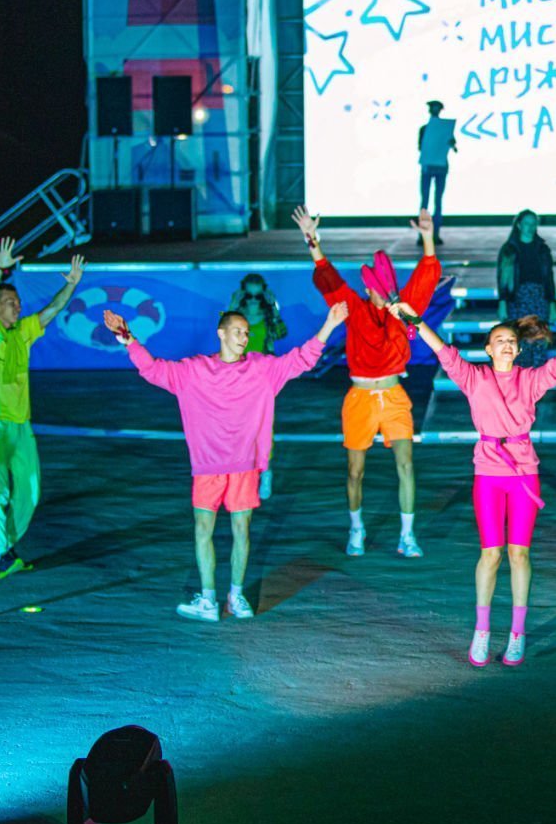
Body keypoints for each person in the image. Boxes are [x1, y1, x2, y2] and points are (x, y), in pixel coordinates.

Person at [396, 301, 556, 667]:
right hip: (488, 474)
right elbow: (442, 350)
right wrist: (415, 319)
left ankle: (517, 633)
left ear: (518, 349)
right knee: (491, 554)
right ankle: (482, 630)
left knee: (519, 554)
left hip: (523, 474)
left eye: (510, 341)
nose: (505, 345)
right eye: (499, 341)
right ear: (488, 349)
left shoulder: (530, 380)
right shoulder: (473, 377)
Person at [106, 301, 348, 621]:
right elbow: (153, 369)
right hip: (208, 467)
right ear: (221, 333)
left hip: (244, 466)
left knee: (241, 531)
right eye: (237, 332)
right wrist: (127, 337)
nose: (244, 338)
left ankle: (236, 596)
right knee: (203, 530)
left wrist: (329, 325)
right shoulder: (194, 370)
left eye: (246, 333)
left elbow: (301, 359)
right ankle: (208, 600)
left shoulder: (262, 369)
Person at [293, 205, 441, 559]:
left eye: (386, 287)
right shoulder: (355, 308)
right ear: (368, 287)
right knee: (355, 471)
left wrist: (427, 237)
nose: (384, 293)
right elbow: (327, 276)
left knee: (406, 465)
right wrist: (311, 238)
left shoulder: (401, 308)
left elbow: (427, 274)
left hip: (393, 396)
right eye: (378, 288)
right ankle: (356, 528)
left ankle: (407, 535)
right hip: (360, 397)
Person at [0, 237, 85, 577]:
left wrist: (71, 285)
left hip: (21, 424)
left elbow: (52, 310)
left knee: (30, 492)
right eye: (10, 302)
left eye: (18, 302)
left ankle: (4, 546)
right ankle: (2, 554)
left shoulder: (23, 332)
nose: (16, 307)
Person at [229, 273, 289, 499]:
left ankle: (266, 472)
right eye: (249, 295)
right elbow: (222, 330)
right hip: (237, 379)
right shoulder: (236, 317)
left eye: (258, 295)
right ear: (243, 294)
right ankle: (242, 471)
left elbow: (282, 333)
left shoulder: (268, 317)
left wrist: (273, 307)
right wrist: (233, 305)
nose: (253, 300)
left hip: (262, 379)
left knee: (264, 428)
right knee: (237, 426)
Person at [496, 210, 556, 368]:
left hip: (539, 298)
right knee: (519, 342)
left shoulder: (542, 249)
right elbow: (503, 278)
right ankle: (520, 380)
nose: (530, 227)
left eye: (533, 223)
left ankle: (537, 381)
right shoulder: (509, 249)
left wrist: (552, 303)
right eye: (526, 223)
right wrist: (502, 302)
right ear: (518, 225)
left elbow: (549, 278)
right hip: (517, 299)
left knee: (539, 340)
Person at [417, 101, 458, 245]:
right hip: (429, 166)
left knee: (437, 201)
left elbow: (452, 145)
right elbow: (421, 147)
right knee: (426, 201)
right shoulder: (425, 129)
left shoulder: (445, 129)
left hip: (439, 167)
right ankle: (423, 234)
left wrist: (450, 144)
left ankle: (435, 234)